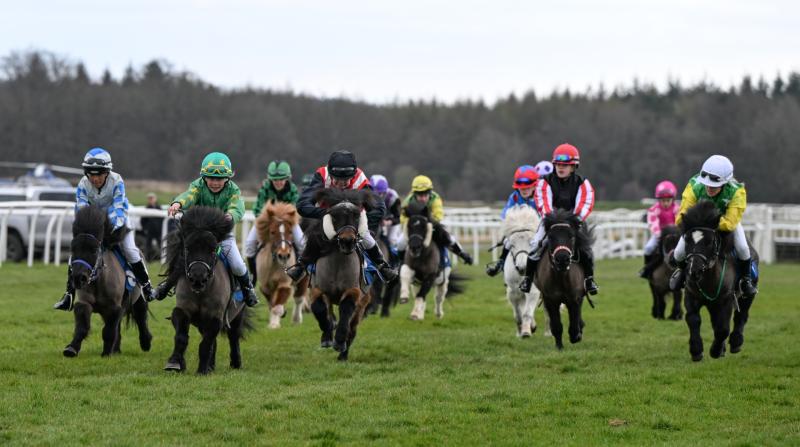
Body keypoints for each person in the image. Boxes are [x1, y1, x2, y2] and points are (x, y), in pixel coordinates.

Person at [53, 148, 155, 310]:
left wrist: (104, 227)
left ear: (107, 172)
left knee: (130, 250)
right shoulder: (82, 184)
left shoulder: (117, 181)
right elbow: (81, 209)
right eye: (91, 175)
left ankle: (146, 286)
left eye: (99, 174)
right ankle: (69, 295)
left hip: (118, 222)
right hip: (93, 225)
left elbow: (118, 208)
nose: (95, 179)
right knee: (77, 253)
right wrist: (90, 227)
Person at [152, 152, 259, 307]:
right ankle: (166, 285)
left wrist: (230, 215)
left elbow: (238, 206)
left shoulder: (233, 190)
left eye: (219, 179)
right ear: (204, 177)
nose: (215, 182)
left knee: (237, 263)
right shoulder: (198, 185)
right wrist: (178, 203)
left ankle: (248, 289)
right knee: (180, 258)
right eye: (211, 178)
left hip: (222, 236)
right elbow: (189, 195)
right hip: (198, 235)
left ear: (227, 178)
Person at [285, 150, 398, 282]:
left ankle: (382, 265)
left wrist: (366, 223)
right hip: (330, 217)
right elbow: (302, 204)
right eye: (337, 179)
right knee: (315, 235)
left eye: (346, 180)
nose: (341, 184)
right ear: (330, 173)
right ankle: (301, 266)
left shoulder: (360, 178)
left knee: (366, 236)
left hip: (352, 219)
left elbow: (379, 207)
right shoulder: (322, 175)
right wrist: (323, 213)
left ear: (353, 174)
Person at [668, 155, 758, 297]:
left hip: (725, 223)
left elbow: (729, 224)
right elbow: (681, 218)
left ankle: (746, 280)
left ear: (725, 182)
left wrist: (708, 222)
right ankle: (682, 272)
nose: (709, 187)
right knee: (679, 253)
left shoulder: (737, 192)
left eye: (714, 185)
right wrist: (699, 224)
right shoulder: (694, 186)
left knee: (743, 248)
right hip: (698, 227)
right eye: (707, 183)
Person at [519, 143, 598, 294]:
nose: (561, 168)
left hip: (574, 223)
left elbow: (584, 203)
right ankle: (527, 279)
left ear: (574, 167)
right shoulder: (544, 181)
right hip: (551, 222)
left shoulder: (582, 183)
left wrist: (574, 220)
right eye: (558, 164)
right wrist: (553, 220)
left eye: (565, 165)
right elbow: (544, 203)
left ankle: (589, 280)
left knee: (586, 249)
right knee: (536, 244)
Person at [243, 160, 304, 284]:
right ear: (270, 179)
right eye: (275, 180)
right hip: (268, 223)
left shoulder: (292, 189)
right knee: (249, 243)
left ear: (287, 178)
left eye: (281, 179)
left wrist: (284, 218)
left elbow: (296, 208)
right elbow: (257, 209)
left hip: (287, 223)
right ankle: (253, 275)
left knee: (302, 243)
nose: (278, 182)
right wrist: (268, 219)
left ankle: (300, 270)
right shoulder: (265, 189)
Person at [399, 175, 474, 265]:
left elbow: (438, 216)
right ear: (414, 193)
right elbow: (402, 218)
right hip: (415, 229)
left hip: (431, 226)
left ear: (430, 192)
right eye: (419, 194)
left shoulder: (436, 198)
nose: (423, 198)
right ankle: (399, 264)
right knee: (400, 243)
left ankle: (462, 254)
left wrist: (425, 220)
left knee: (449, 238)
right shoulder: (408, 201)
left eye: (425, 194)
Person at [486, 165, 540, 276]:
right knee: (507, 241)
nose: (524, 190)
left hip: (536, 231)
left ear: (534, 186)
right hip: (519, 231)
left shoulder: (540, 197)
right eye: (521, 188)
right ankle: (501, 263)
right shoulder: (514, 197)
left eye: (527, 187)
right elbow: (505, 214)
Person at [638, 181, 679, 279]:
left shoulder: (677, 208)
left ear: (672, 199)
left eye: (668, 200)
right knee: (648, 248)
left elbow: (679, 222)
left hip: (675, 235)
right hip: (659, 235)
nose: (665, 203)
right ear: (659, 200)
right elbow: (653, 223)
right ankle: (647, 270)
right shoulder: (654, 209)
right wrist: (659, 234)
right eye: (662, 200)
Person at [370, 174, 403, 249]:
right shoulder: (366, 194)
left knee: (391, 239)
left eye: (380, 193)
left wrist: (387, 222)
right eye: (374, 194)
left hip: (391, 222)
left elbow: (398, 218)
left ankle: (395, 259)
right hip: (375, 222)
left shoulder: (393, 197)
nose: (377, 196)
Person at [141, 192, 164, 261]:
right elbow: (143, 220)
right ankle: (148, 259)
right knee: (148, 246)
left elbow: (162, 219)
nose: (151, 200)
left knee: (161, 245)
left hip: (158, 231)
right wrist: (145, 229)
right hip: (150, 231)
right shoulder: (147, 208)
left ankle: (162, 259)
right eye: (149, 198)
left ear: (155, 199)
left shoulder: (159, 208)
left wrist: (160, 228)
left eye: (152, 198)